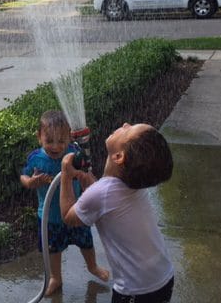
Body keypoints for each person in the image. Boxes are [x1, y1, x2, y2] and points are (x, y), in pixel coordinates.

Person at [60, 123, 175, 303]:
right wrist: (88, 182)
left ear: (119, 156)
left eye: (128, 130)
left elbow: (69, 217)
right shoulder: (134, 184)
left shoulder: (101, 194)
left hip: (137, 291)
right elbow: (107, 199)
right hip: (163, 277)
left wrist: (66, 174)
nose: (125, 124)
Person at [20, 110, 110, 296]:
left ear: (69, 137)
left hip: (75, 212)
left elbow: (88, 174)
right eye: (49, 141)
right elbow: (24, 176)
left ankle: (92, 266)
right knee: (53, 249)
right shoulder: (36, 158)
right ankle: (55, 277)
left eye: (61, 141)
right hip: (49, 217)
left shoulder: (74, 154)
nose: (56, 146)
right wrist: (30, 182)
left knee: (86, 242)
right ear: (39, 137)